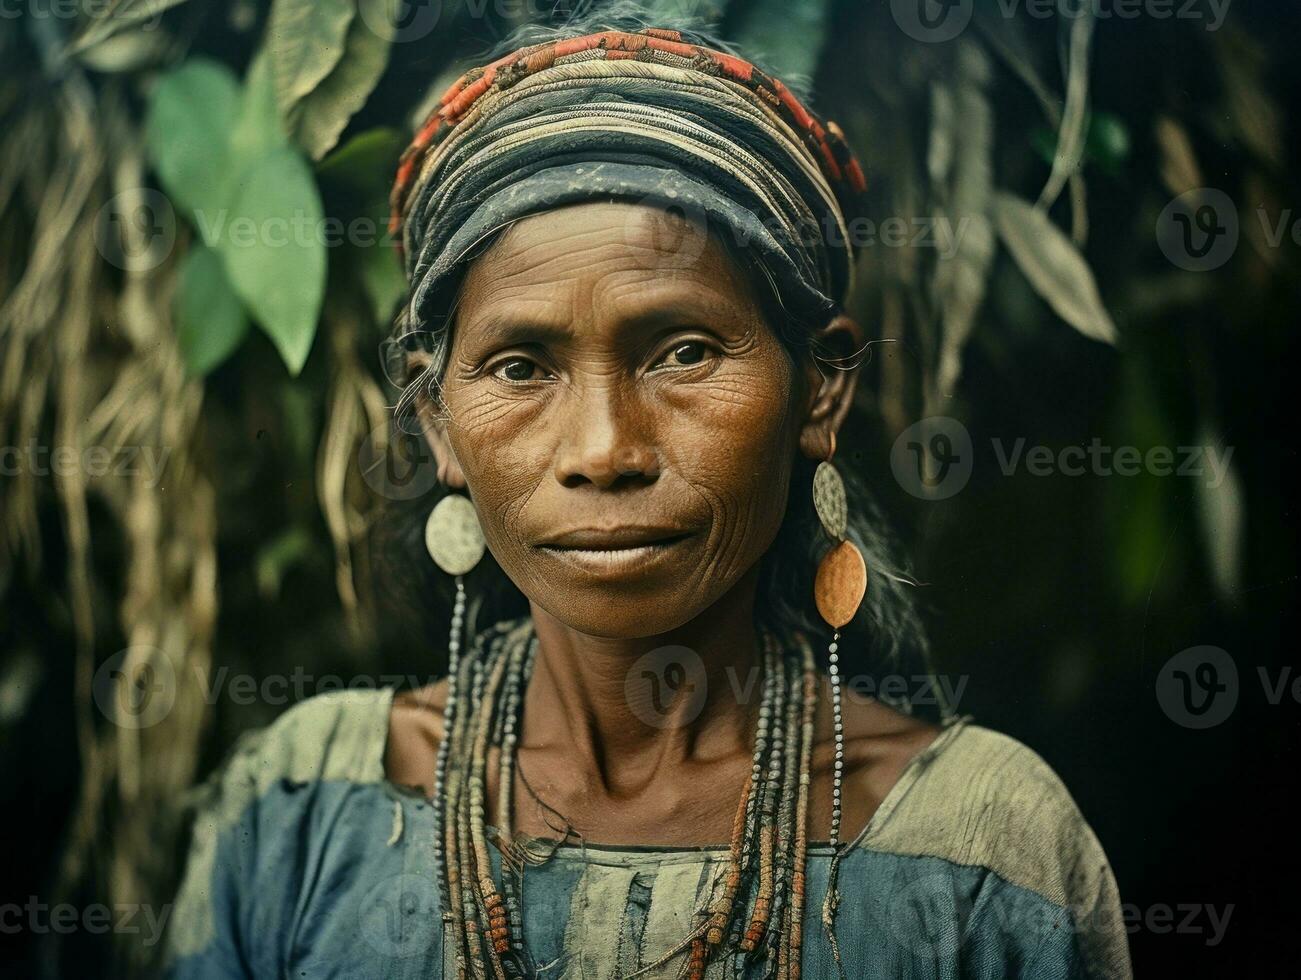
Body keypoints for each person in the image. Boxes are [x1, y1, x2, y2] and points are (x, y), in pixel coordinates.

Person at [165, 10, 1130, 979]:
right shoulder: (298, 808)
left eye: (682, 352)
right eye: (518, 366)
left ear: (819, 388)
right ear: (438, 424)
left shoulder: (981, 853)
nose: (603, 449)